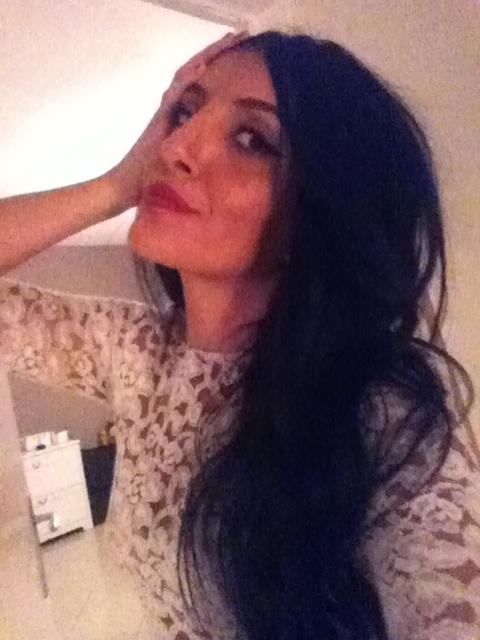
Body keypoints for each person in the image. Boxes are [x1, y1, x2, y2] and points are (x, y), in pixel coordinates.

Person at [0, 28, 479, 640]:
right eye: (185, 112)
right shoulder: (135, 352)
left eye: (251, 139)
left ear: (322, 210)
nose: (175, 147)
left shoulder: (382, 411)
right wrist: (112, 187)